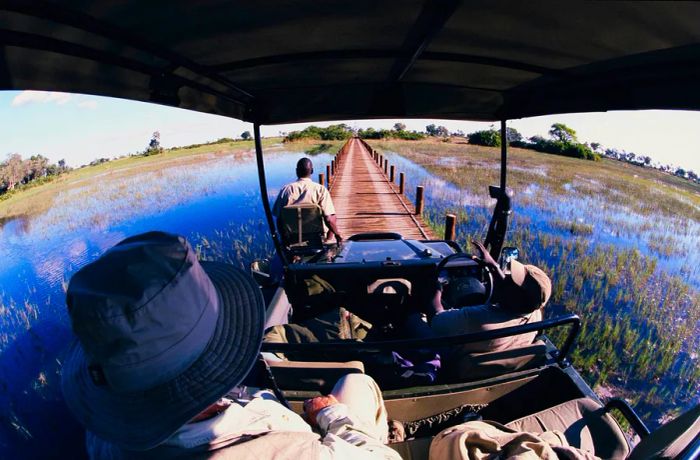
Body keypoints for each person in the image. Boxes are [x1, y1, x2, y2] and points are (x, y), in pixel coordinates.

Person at [61, 231, 400, 459]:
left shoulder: (104, 440)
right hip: (314, 434)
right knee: (357, 381)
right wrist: (330, 414)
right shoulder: (287, 450)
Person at [426, 240, 552, 355]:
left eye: (511, 280)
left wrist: (436, 291)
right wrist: (494, 266)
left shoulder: (476, 318)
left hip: (453, 360)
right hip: (494, 363)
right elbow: (511, 291)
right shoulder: (535, 315)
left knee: (412, 318)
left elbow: (436, 320)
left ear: (515, 296)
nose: (506, 276)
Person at [273, 157, 343, 243]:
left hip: (293, 235)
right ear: (312, 171)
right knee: (333, 216)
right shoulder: (320, 189)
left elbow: (279, 218)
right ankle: (327, 241)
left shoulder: (285, 190)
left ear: (296, 171)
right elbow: (328, 219)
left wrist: (284, 238)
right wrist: (337, 235)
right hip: (317, 235)